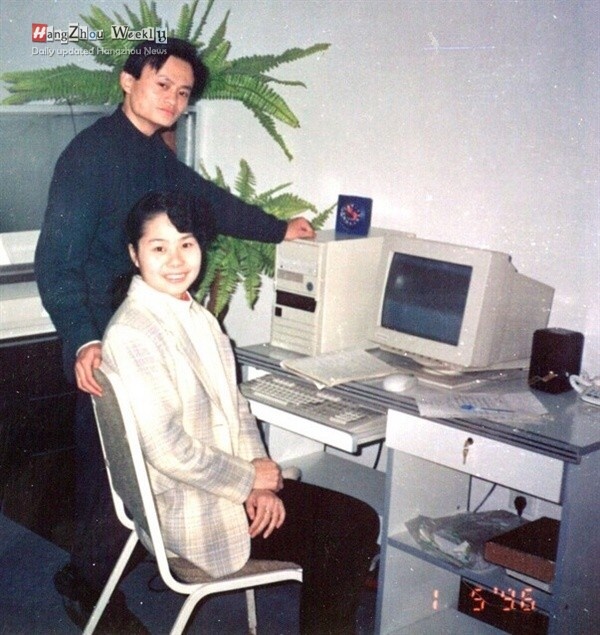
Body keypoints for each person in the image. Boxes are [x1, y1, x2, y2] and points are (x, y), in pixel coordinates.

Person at [34, 38, 315, 632]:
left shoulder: (150, 153)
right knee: (112, 477)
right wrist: (82, 339)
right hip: (103, 336)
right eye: (163, 85)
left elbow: (208, 203)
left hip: (139, 321)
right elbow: (55, 262)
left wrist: (277, 230)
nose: (173, 100)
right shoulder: (90, 156)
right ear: (127, 80)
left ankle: (118, 566)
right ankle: (89, 589)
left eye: (184, 93)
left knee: (135, 476)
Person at [100, 191, 379, 634]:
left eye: (186, 244)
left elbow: (236, 407)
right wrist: (248, 479)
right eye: (159, 248)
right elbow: (167, 449)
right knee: (351, 527)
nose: (176, 260)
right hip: (192, 511)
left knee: (345, 522)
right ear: (135, 255)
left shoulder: (194, 315)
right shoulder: (134, 332)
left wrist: (259, 481)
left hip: (217, 487)